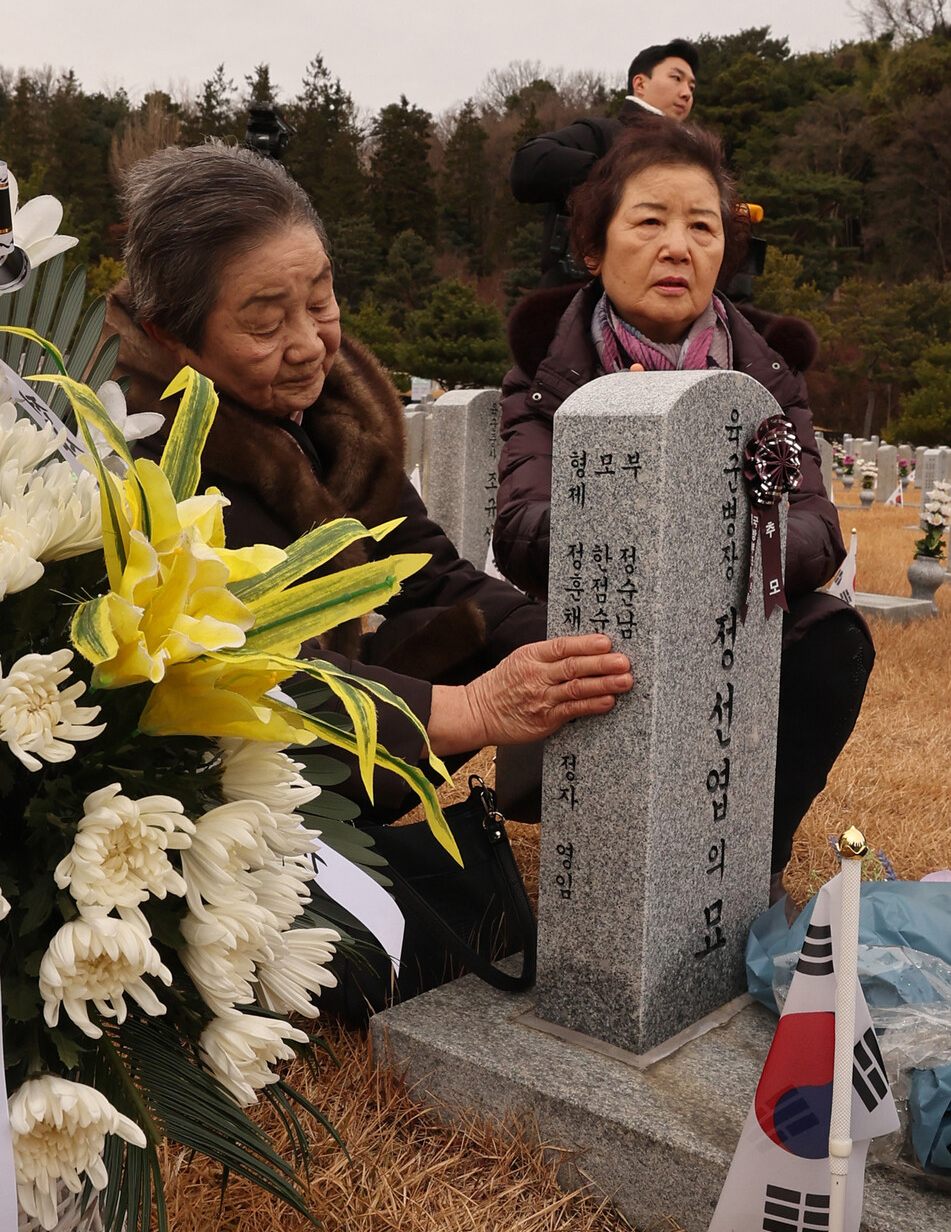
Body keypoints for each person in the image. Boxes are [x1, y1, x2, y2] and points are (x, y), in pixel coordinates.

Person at [103, 141, 633, 818]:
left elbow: (433, 573)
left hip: (340, 688)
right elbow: (242, 670)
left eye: (320, 302)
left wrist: (585, 648)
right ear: (169, 334)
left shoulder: (336, 412)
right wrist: (475, 707)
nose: (308, 344)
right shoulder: (137, 447)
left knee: (461, 622)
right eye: (264, 323)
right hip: (211, 771)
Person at [494, 118, 874, 902]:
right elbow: (523, 524)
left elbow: (814, 524)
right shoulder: (550, 365)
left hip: (732, 611)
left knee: (831, 639)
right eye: (650, 221)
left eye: (702, 226)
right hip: (604, 612)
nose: (679, 246)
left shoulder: (766, 368)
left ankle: (741, 863)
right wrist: (641, 536)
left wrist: (718, 556)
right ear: (593, 249)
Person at [509, 40, 699, 284]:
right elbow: (527, 164)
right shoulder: (604, 133)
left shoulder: (697, 158)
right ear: (640, 84)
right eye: (676, 78)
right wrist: (618, 174)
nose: (686, 93)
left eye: (692, 87)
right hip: (581, 303)